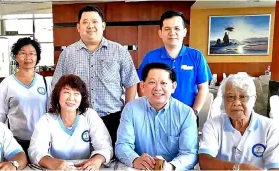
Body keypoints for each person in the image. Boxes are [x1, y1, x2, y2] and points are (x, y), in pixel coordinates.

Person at [52, 5, 139, 146]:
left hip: (113, 119)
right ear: (78, 27)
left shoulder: (118, 50)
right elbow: (57, 85)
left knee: (113, 160)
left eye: (95, 21)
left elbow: (131, 82)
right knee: (82, 160)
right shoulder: (68, 54)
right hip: (78, 119)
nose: (90, 26)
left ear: (103, 25)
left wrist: (126, 114)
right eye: (85, 22)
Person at [115, 63, 198, 170]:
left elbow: (190, 153)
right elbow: (122, 144)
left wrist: (171, 167)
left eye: (163, 83)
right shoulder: (131, 109)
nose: (158, 88)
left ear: (173, 87)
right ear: (143, 86)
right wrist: (135, 159)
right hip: (140, 168)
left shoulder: (186, 113)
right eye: (152, 82)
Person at [199, 73, 279, 170]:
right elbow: (204, 161)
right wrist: (237, 168)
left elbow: (277, 168)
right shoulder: (212, 125)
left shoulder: (272, 129)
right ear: (224, 100)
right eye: (230, 97)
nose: (236, 103)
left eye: (243, 97)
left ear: (254, 99)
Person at [28, 74, 113, 170]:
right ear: (57, 95)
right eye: (66, 92)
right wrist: (52, 163)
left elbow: (105, 147)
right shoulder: (47, 120)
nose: (71, 98)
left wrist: (96, 160)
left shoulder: (90, 115)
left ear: (82, 98)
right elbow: (35, 151)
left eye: (76, 93)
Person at [137, 10, 212, 117]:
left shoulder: (196, 56)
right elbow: (141, 86)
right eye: (167, 29)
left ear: (185, 32)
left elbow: (203, 88)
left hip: (187, 115)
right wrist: (148, 108)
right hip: (155, 115)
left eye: (177, 28)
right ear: (160, 33)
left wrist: (193, 113)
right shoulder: (150, 57)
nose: (172, 33)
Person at [0, 37, 51, 155]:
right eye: (23, 53)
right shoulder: (7, 84)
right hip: (15, 142)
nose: (28, 57)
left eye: (32, 53)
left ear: (37, 57)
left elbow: (50, 112)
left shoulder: (45, 82)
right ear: (16, 56)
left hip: (41, 140)